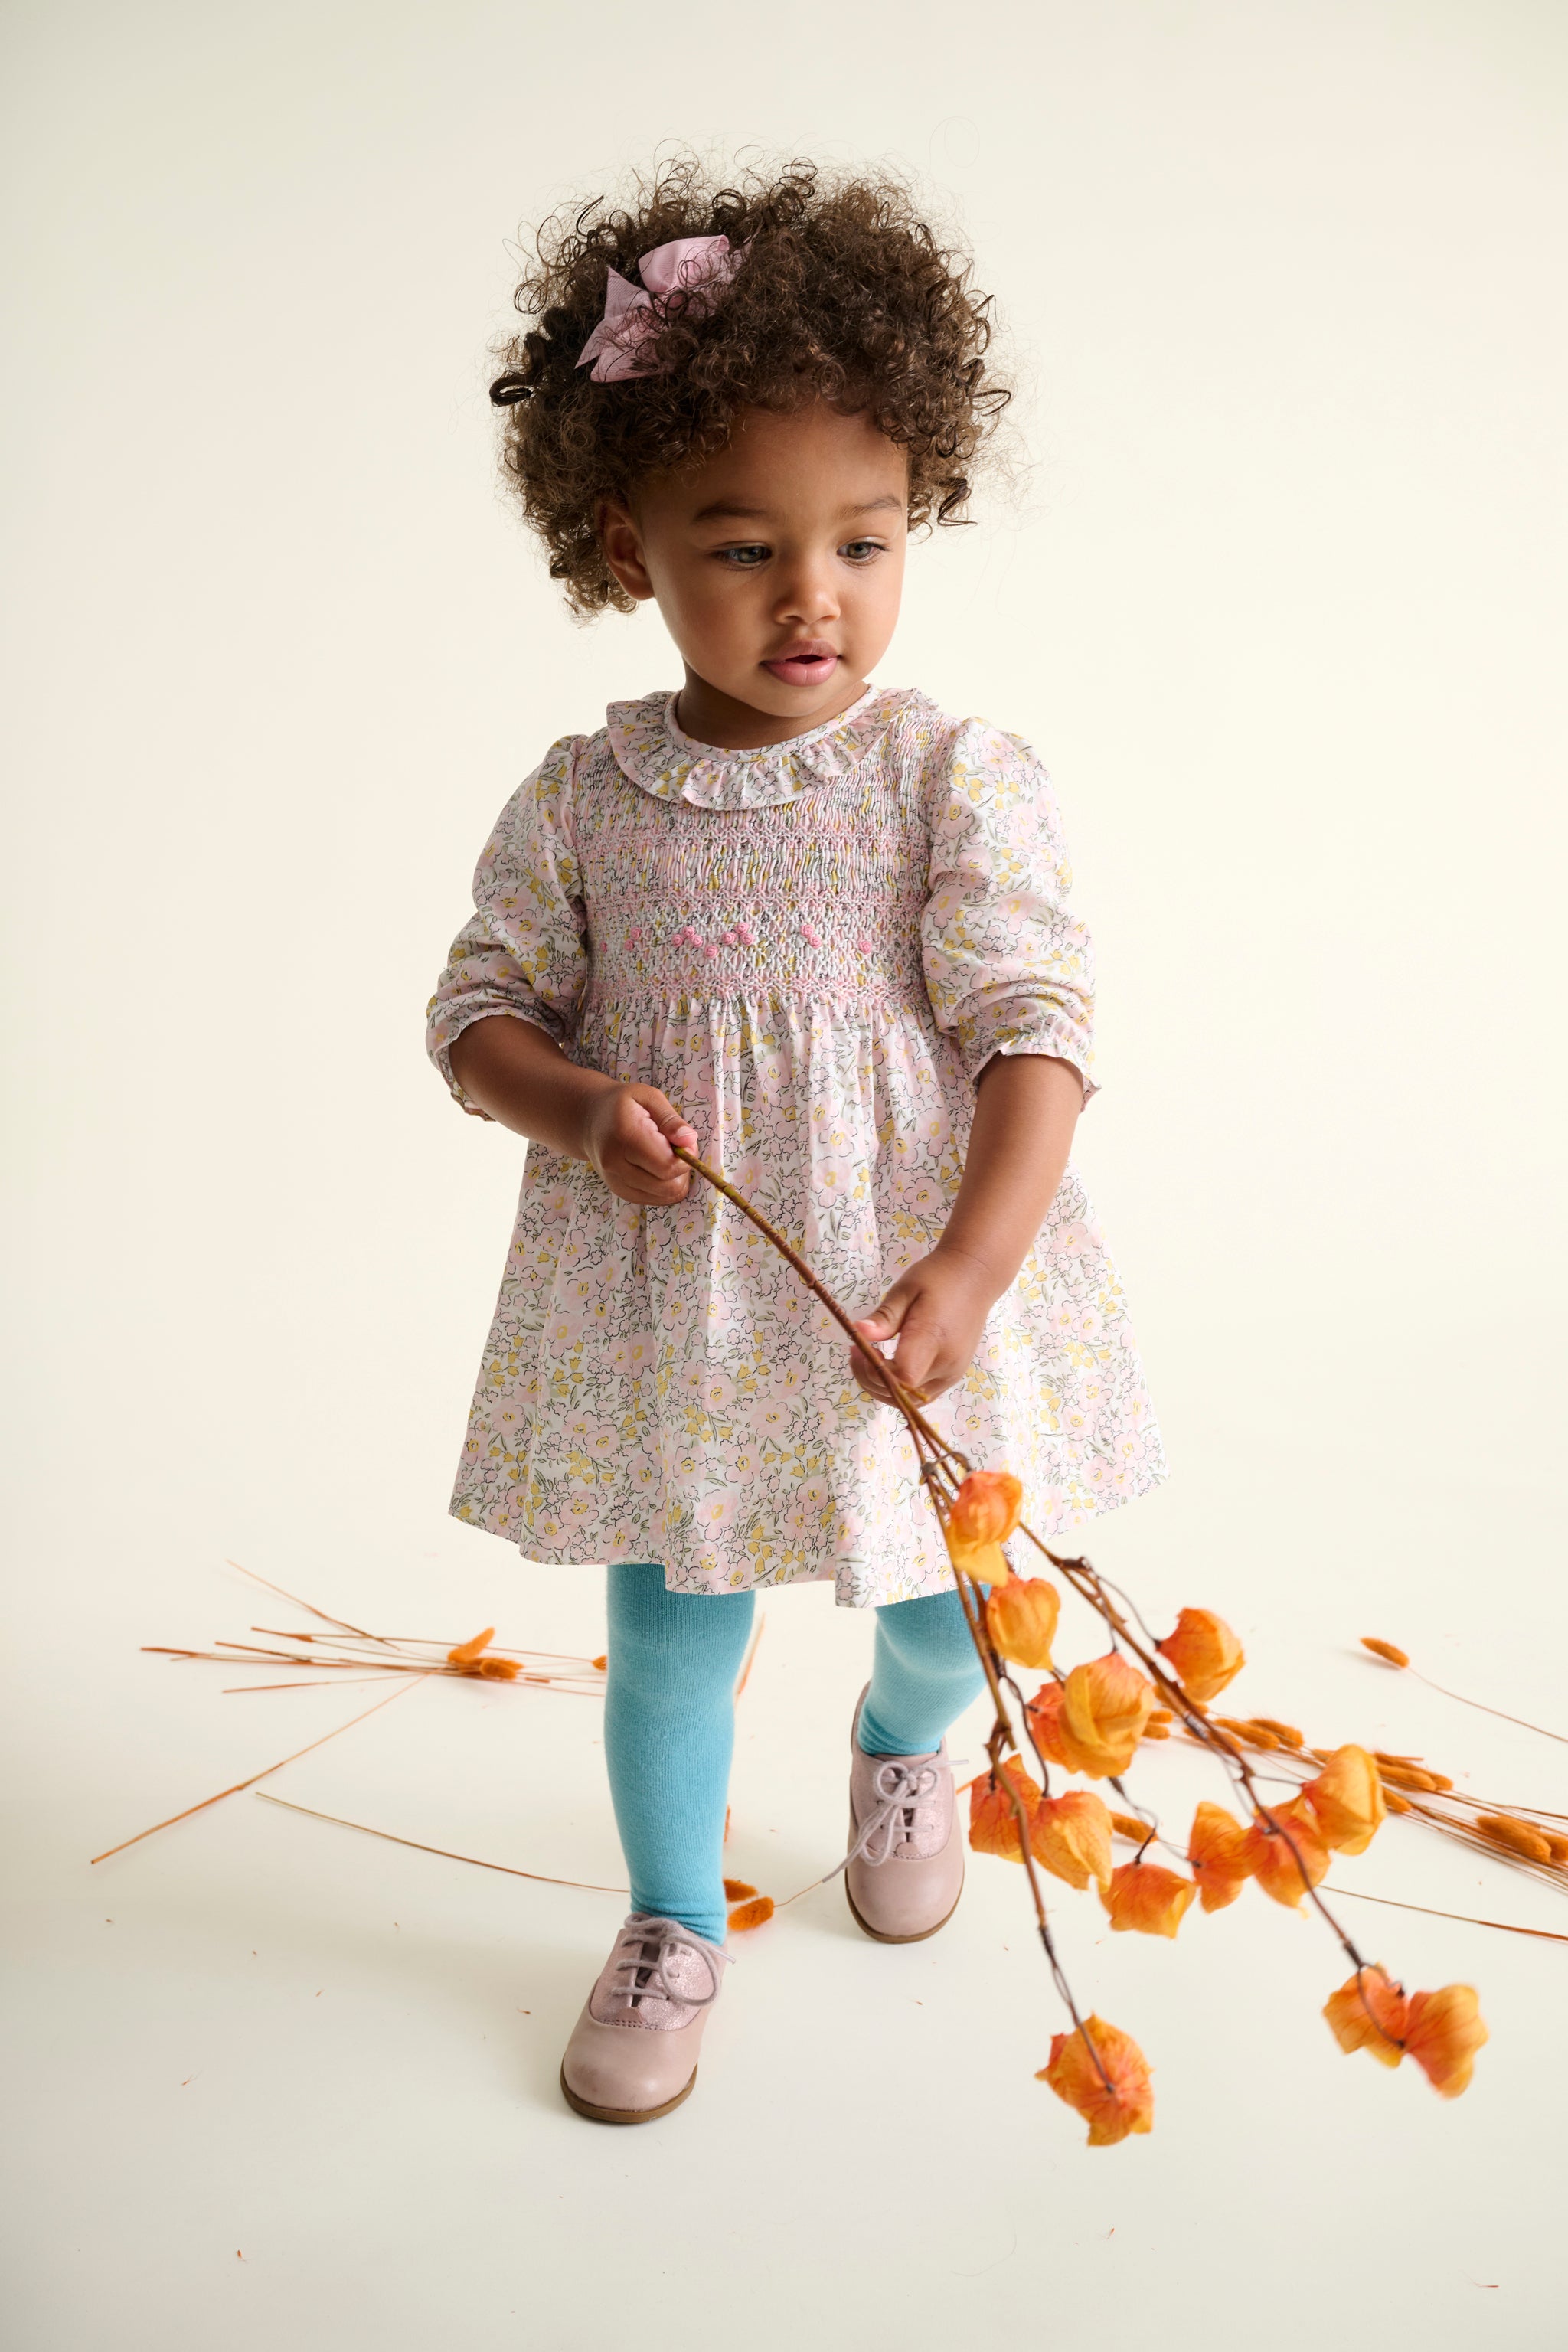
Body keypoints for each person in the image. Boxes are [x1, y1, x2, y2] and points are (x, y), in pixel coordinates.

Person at [426, 159, 1165, 2125]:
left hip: (904, 1299)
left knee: (943, 1612)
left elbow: (1038, 1034)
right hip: (683, 1308)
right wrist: (577, 1104)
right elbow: (478, 1013)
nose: (809, 595)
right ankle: (674, 1918)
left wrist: (975, 1267)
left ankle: (907, 1748)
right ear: (628, 544)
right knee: (668, 1637)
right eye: (744, 546)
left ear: (917, 517)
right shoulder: (584, 800)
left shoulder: (948, 778)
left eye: (863, 540)